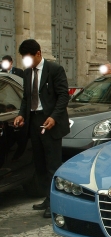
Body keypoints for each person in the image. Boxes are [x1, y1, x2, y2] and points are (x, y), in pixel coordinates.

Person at [13, 39, 70, 218]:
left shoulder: (55, 70)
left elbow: (63, 96)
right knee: (40, 164)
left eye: (28, 57)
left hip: (51, 122)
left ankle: (55, 202)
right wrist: (22, 114)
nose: (26, 61)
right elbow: (26, 98)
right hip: (34, 122)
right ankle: (47, 198)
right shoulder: (27, 72)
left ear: (38, 53)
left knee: (53, 164)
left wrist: (53, 117)